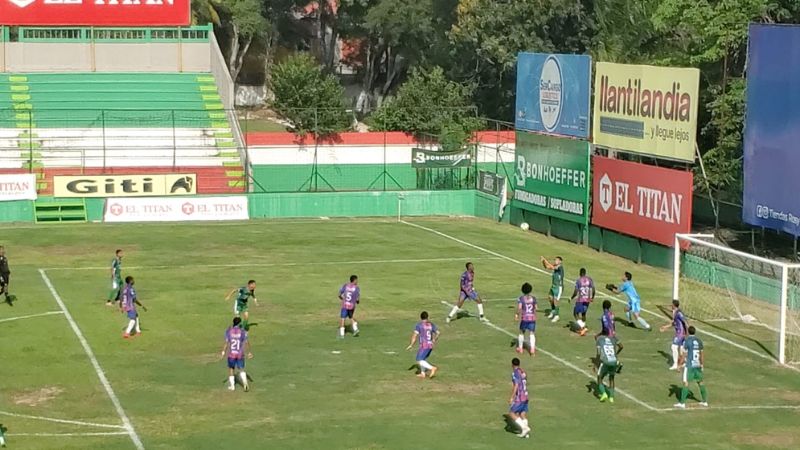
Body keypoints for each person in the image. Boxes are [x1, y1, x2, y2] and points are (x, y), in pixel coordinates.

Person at [674, 326, 708, 409]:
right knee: (700, 382)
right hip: (697, 365)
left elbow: (684, 354)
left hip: (689, 366)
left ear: (688, 332)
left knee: (685, 383)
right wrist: (702, 364)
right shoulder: (699, 341)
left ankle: (682, 403)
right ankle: (705, 401)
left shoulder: (687, 341)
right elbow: (701, 354)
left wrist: (679, 365)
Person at [220, 317, 253, 392]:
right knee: (241, 369)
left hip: (232, 354)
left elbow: (226, 343)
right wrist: (249, 352)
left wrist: (223, 352)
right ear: (239, 323)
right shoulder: (242, 332)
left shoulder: (229, 331)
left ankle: (232, 386)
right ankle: (245, 382)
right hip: (240, 354)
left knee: (231, 369)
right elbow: (247, 342)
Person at [406, 311, 440, 379]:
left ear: (421, 317)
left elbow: (414, 336)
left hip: (424, 345)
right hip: (430, 345)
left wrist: (411, 345)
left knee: (419, 360)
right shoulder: (431, 324)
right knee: (423, 359)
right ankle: (423, 373)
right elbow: (438, 333)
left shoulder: (419, 325)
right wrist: (434, 339)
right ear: (427, 317)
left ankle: (432, 368)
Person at [596, 329, 623, 403]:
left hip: (605, 361)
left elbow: (598, 354)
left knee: (599, 378)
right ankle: (611, 397)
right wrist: (616, 354)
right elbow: (621, 346)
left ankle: (604, 393)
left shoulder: (600, 339)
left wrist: (596, 363)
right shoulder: (614, 338)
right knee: (611, 378)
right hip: (614, 361)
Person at [660, 300, 688, 370]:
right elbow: (674, 323)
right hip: (680, 332)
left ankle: (675, 364)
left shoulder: (679, 313)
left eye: (671, 305)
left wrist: (687, 332)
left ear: (674, 305)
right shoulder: (676, 313)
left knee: (674, 347)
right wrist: (665, 327)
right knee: (681, 348)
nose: (671, 306)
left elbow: (685, 322)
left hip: (680, 333)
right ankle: (684, 362)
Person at [508, 357, 531, 438]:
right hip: (526, 395)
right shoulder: (522, 371)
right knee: (522, 413)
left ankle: (524, 428)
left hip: (520, 397)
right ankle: (526, 434)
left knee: (511, 413)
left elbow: (516, 385)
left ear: (512, 365)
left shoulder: (515, 373)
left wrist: (511, 397)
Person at [570, 268, 595, 336]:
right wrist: (592, 297)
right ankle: (583, 326)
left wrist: (571, 297)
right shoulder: (590, 280)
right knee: (583, 313)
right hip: (587, 300)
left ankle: (583, 327)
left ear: (580, 273)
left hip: (581, 300)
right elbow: (593, 289)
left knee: (575, 313)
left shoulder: (579, 281)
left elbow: (576, 291)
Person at [515, 282, 537, 356]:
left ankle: (520, 348)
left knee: (521, 332)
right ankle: (532, 349)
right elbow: (536, 308)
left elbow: (519, 308)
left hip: (525, 318)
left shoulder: (521, 298)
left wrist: (517, 315)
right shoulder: (533, 298)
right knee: (532, 333)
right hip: (532, 318)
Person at [541, 256, 564, 322]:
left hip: (558, 287)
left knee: (556, 301)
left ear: (560, 261)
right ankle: (553, 310)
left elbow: (552, 267)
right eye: (555, 260)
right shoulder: (555, 266)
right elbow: (546, 267)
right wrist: (543, 262)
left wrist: (545, 259)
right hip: (553, 286)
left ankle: (557, 316)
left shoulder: (560, 267)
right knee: (550, 298)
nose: (555, 261)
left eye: (556, 260)